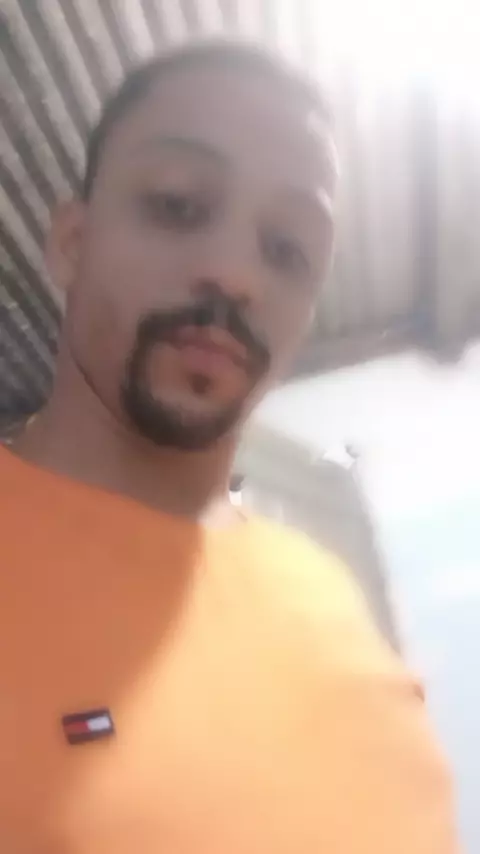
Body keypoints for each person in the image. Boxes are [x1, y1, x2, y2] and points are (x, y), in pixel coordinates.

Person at [0, 40, 459, 853]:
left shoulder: (328, 594)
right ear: (71, 243)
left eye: (287, 249)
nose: (236, 274)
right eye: (178, 205)